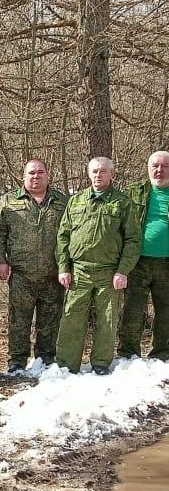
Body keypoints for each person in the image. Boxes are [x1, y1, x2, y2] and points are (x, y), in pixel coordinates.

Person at [56, 157, 141, 374]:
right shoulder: (76, 201)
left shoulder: (122, 203)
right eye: (94, 171)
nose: (98, 175)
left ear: (112, 175)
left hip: (109, 272)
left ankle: (101, 363)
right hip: (79, 271)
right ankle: (67, 365)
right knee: (72, 318)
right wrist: (64, 267)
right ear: (88, 174)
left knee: (107, 320)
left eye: (103, 171)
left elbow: (133, 239)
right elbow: (63, 236)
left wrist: (123, 271)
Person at [0, 159, 69, 373]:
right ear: (23, 176)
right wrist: (0, 261)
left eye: (40, 172)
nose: (36, 176)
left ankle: (45, 358)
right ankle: (17, 360)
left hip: (53, 274)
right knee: (18, 320)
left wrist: (66, 266)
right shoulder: (8, 202)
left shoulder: (63, 201)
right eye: (31, 173)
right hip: (21, 275)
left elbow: (71, 234)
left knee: (50, 319)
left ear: (48, 175)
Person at [118, 151, 169, 362]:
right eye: (155, 166)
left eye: (164, 166)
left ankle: (162, 353)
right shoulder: (134, 192)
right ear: (148, 168)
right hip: (136, 261)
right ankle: (128, 353)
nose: (159, 170)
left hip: (166, 263)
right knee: (132, 309)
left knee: (166, 311)